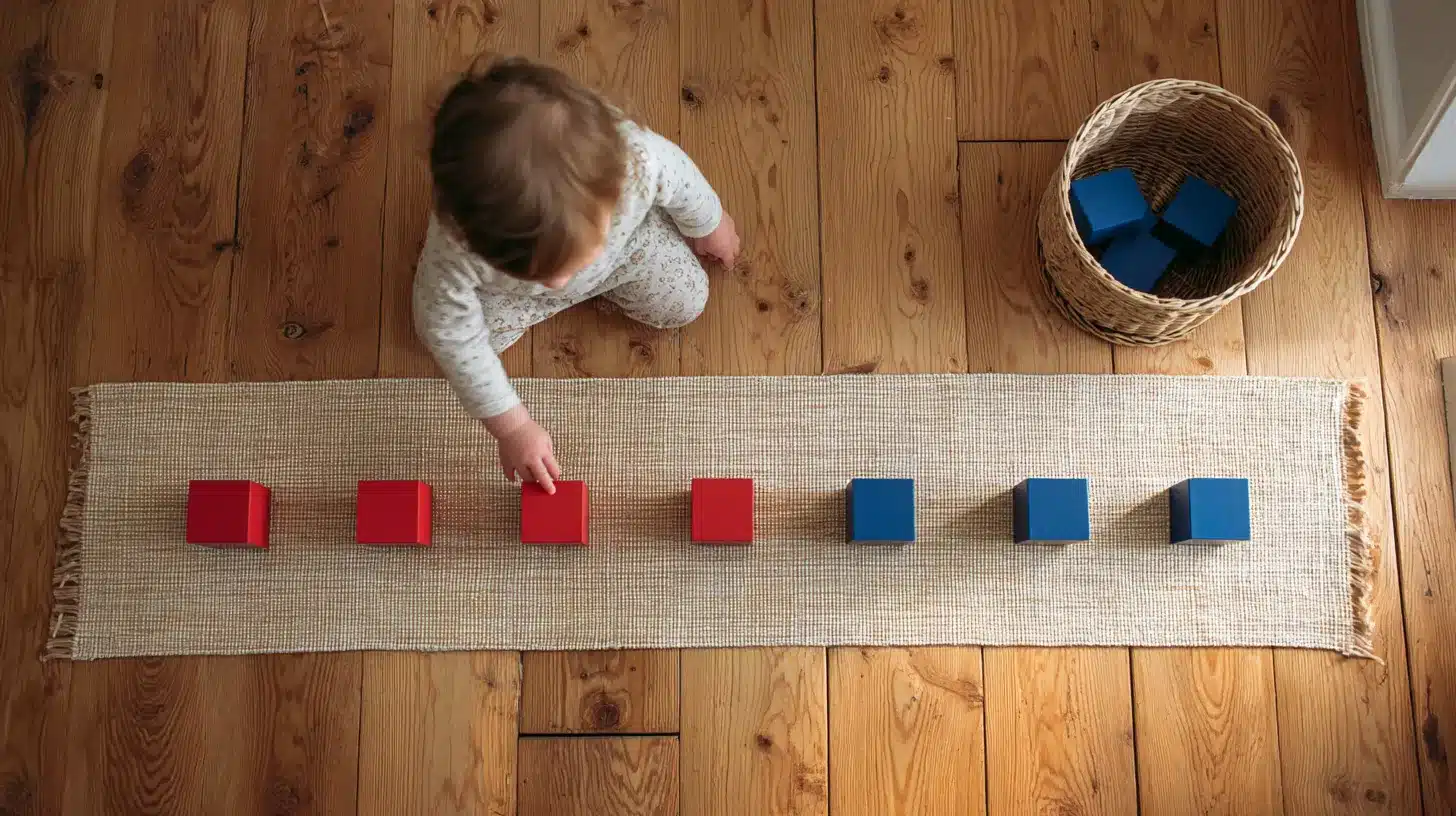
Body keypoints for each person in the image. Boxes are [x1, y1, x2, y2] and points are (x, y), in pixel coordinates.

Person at [414, 57, 740, 494]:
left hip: (628, 255)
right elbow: (446, 327)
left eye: (567, 263)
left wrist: (709, 224)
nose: (557, 284)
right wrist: (512, 427)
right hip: (512, 297)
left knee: (688, 300)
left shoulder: (635, 162)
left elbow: (683, 181)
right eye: (539, 269)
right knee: (458, 348)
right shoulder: (455, 246)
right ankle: (534, 284)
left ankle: (581, 271)